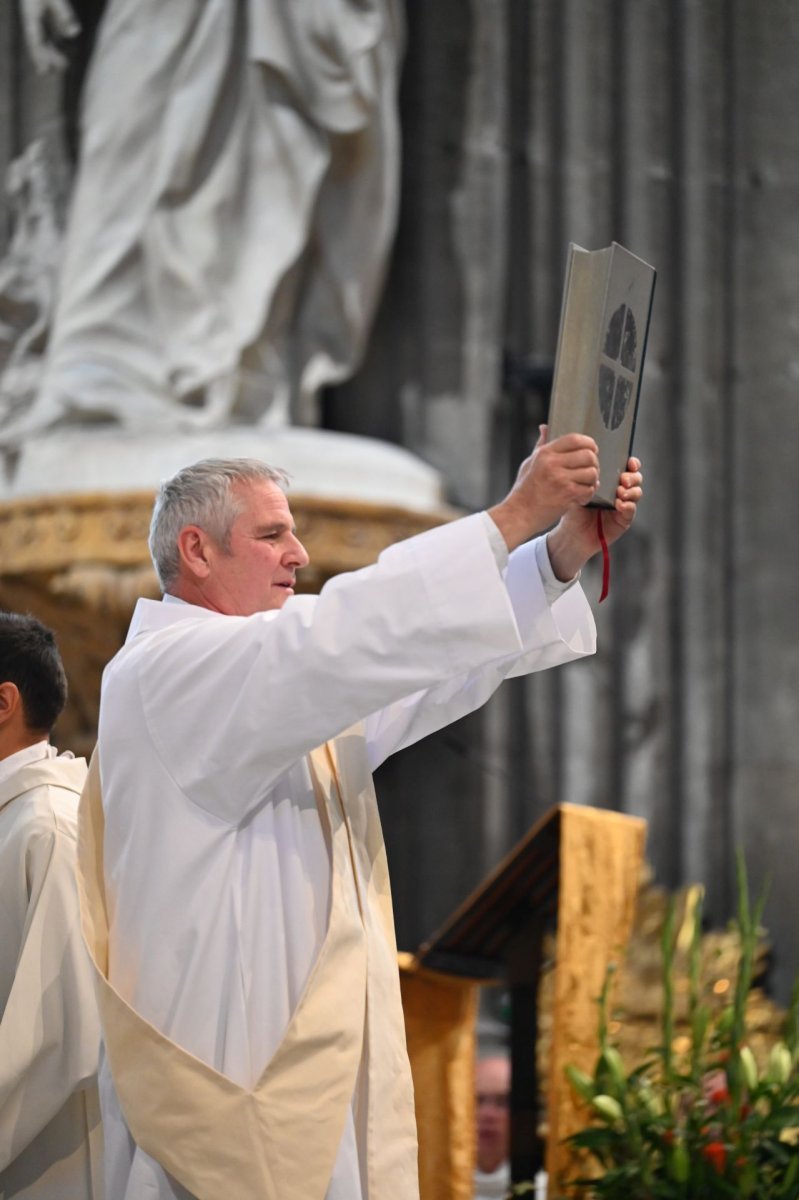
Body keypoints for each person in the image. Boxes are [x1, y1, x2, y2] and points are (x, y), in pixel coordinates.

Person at [80, 428, 643, 1200]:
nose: (299, 555)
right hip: (225, 1072)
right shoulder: (168, 671)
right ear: (197, 551)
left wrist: (555, 555)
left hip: (304, 1068)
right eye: (272, 534)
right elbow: (340, 636)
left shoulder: (271, 690)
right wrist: (514, 514)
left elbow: (421, 670)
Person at [0, 612, 103, 1199]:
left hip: (49, 1160)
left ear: (4, 701)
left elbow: (57, 1030)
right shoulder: (18, 817)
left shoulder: (49, 826)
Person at [474, 1054, 511, 1199]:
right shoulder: (433, 1187)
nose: (488, 1114)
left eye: (503, 1102)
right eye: (478, 1101)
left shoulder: (546, 1190)